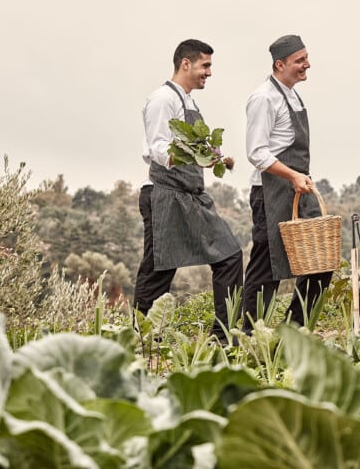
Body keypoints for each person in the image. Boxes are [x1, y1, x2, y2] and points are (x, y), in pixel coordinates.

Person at [134, 39, 244, 345]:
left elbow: (193, 147)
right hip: (166, 195)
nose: (209, 72)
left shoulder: (189, 102)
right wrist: (189, 155)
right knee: (159, 270)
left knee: (229, 256)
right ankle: (138, 341)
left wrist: (214, 156)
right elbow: (157, 148)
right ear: (186, 63)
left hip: (192, 195)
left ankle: (224, 338)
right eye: (205, 65)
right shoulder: (161, 100)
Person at [242, 35, 334, 332]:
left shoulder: (293, 94)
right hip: (270, 193)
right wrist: (293, 175)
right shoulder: (263, 98)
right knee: (267, 269)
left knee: (321, 264)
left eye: (307, 57)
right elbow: (256, 153)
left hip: (298, 192)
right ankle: (244, 336)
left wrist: (300, 179)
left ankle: (292, 331)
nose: (307, 65)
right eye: (300, 60)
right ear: (280, 65)